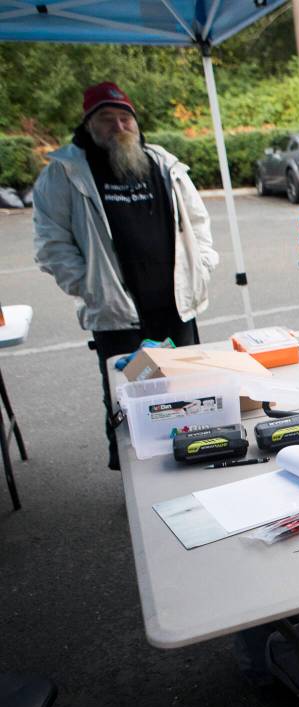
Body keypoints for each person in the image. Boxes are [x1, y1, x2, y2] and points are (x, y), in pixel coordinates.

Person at [33, 81, 218, 471]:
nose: (118, 127)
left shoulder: (163, 165)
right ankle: (137, 483)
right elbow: (52, 244)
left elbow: (197, 223)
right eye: (106, 119)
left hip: (176, 307)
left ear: (136, 124)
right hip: (120, 314)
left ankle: (191, 465)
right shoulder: (68, 173)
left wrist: (202, 264)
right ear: (88, 126)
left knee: (185, 391)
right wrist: (90, 287)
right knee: (133, 396)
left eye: (124, 118)